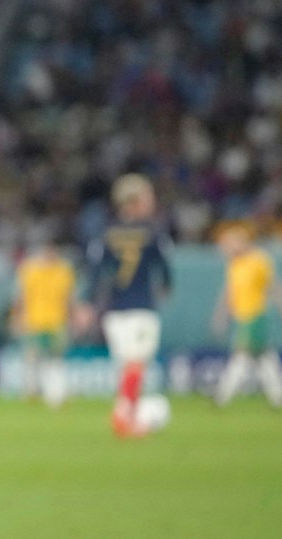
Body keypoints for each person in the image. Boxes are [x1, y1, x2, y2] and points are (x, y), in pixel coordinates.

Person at [76, 175, 172, 438]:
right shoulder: (153, 232)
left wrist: (86, 303)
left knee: (128, 366)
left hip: (114, 311)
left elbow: (95, 271)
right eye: (147, 197)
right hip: (141, 306)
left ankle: (127, 415)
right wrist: (166, 286)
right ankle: (122, 418)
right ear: (134, 201)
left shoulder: (106, 233)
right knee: (136, 364)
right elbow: (163, 266)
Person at [211, 226, 282, 407]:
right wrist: (222, 315)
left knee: (242, 356)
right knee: (265, 358)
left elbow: (275, 287)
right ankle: (279, 397)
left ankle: (222, 397)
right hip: (242, 317)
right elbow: (230, 293)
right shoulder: (234, 264)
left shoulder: (259, 260)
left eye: (229, 244)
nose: (226, 249)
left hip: (254, 317)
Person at [11, 236, 76, 408]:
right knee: (33, 358)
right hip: (35, 321)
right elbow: (22, 296)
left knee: (55, 358)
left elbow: (67, 298)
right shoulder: (30, 270)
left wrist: (72, 317)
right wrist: (18, 317)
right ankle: (31, 391)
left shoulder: (63, 271)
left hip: (56, 322)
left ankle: (56, 393)